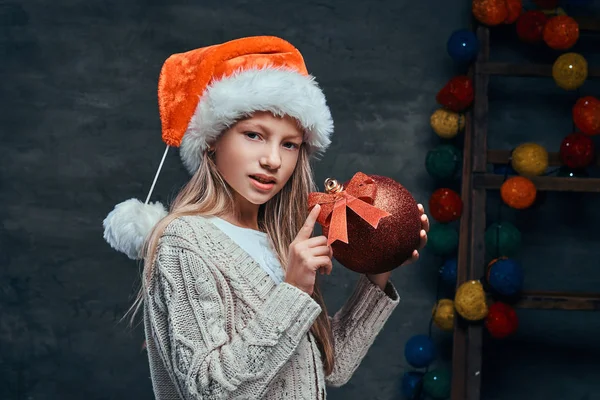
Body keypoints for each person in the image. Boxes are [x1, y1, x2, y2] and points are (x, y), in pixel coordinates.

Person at [103, 36, 429, 399]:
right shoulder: (183, 243)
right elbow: (211, 391)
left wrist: (378, 269)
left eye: (289, 144)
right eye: (254, 135)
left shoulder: (277, 242)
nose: (273, 159)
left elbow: (328, 367)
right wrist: (291, 291)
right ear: (212, 139)